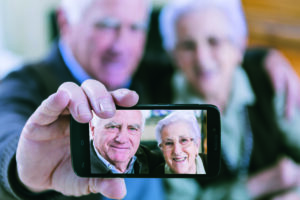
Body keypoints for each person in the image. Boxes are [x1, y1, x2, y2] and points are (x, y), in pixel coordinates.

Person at [0, 0, 299, 199]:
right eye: (106, 25)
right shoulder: (23, 84)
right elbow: (8, 128)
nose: (123, 44)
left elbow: (209, 56)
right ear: (65, 22)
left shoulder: (143, 72)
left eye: (136, 28)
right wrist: (21, 168)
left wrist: (266, 58)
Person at [159, 0, 300, 199]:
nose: (202, 58)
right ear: (173, 55)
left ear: (239, 46)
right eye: (188, 46)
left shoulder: (269, 81)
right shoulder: (163, 111)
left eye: (214, 41)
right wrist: (259, 184)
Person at [90, 110, 163, 174]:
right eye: (112, 127)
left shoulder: (145, 156)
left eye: (132, 128)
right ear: (93, 131)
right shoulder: (81, 169)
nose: (122, 140)